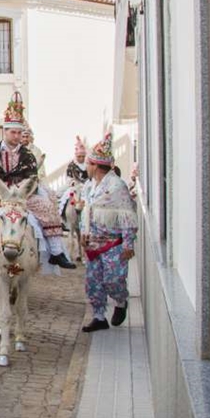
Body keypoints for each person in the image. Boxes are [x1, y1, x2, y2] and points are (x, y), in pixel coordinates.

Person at [0, 92, 77, 271]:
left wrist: (16, 193)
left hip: (22, 197)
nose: (17, 136)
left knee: (48, 208)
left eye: (20, 133)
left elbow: (32, 178)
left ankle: (57, 254)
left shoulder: (28, 156)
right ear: (5, 132)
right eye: (13, 132)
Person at [78, 133, 138, 332]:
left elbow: (127, 216)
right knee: (93, 282)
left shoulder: (117, 186)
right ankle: (98, 316)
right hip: (93, 242)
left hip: (113, 242)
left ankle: (121, 301)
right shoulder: (88, 187)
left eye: (88, 163)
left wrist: (128, 244)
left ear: (95, 165)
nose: (86, 167)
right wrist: (83, 234)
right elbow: (86, 212)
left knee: (113, 280)